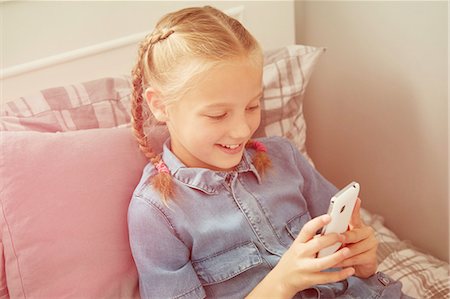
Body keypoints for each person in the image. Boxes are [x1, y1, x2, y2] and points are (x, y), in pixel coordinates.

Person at [127, 6, 412, 299]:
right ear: (159, 105)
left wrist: (363, 260)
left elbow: (344, 252)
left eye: (252, 106)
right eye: (218, 114)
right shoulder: (157, 212)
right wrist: (283, 283)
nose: (242, 130)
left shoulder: (284, 156)